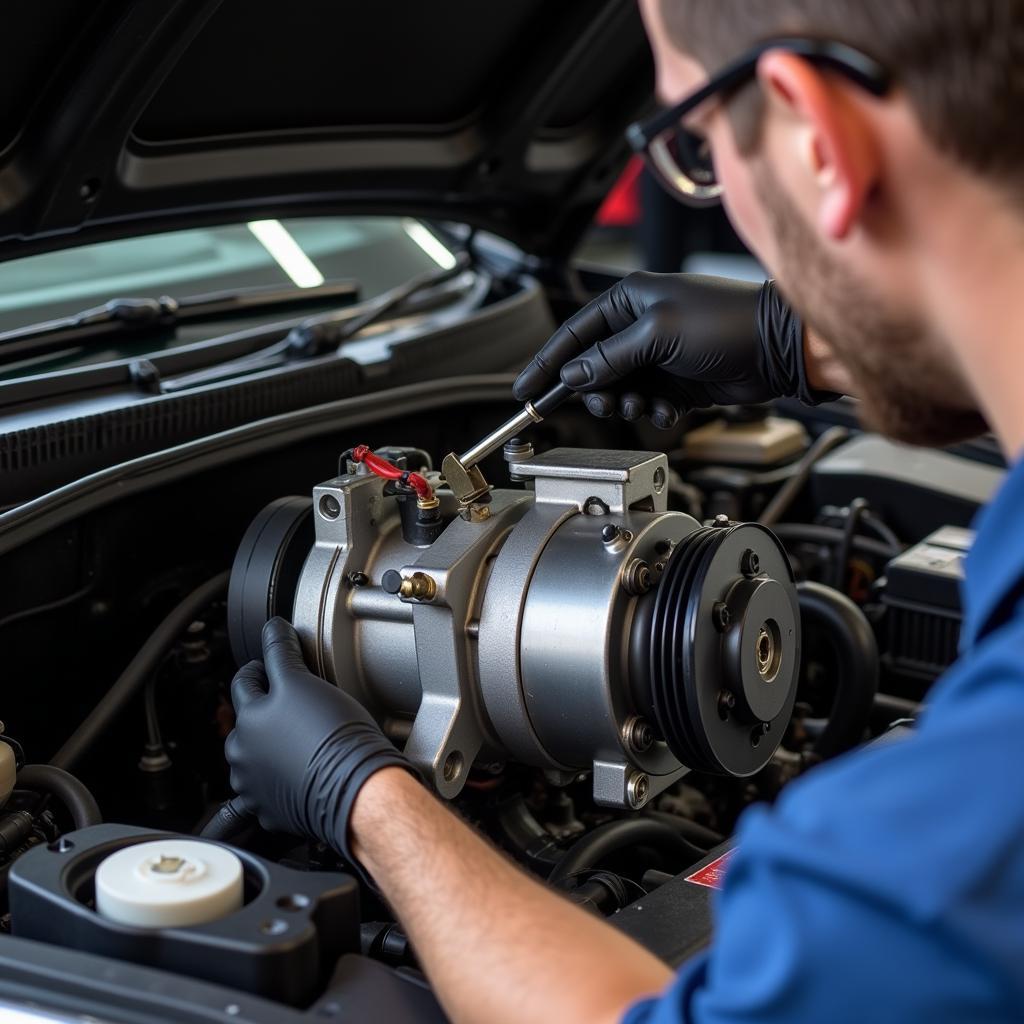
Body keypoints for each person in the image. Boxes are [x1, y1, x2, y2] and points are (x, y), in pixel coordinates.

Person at [224, 1, 1024, 1020]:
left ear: (817, 137)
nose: (706, 184)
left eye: (692, 145)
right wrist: (800, 341)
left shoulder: (980, 806)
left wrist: (362, 796)